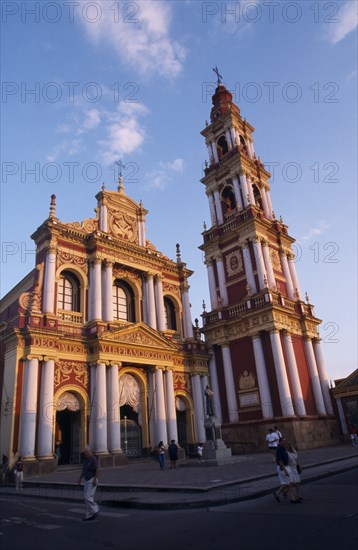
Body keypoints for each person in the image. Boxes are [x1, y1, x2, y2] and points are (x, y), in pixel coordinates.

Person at [273, 439, 300, 504]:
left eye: (286, 441)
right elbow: (280, 461)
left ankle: (293, 499)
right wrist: (285, 470)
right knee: (288, 483)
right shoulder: (279, 450)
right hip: (283, 468)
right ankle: (277, 493)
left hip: (287, 466)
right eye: (284, 441)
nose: (285, 442)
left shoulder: (283, 448)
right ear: (280, 442)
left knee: (290, 483)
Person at [78, 446, 99, 521]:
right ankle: (89, 515)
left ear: (91, 452)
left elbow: (97, 469)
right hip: (86, 480)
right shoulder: (86, 460)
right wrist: (80, 478)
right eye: (85, 452)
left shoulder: (93, 459)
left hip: (92, 480)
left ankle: (96, 509)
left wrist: (95, 479)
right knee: (87, 498)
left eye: (87, 452)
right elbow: (84, 470)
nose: (86, 453)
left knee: (87, 497)